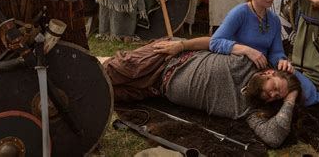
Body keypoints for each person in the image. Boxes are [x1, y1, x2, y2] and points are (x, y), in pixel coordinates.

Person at [104, 36, 302, 148]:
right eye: (275, 88)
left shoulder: (250, 110)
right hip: (169, 58)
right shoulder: (248, 60)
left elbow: (273, 138)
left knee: (106, 91)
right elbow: (213, 42)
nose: (273, 95)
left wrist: (290, 98)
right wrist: (180, 45)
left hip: (155, 89)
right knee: (112, 70)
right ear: (268, 73)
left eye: (277, 97)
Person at [208, 0, 319, 107]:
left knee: (305, 85)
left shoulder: (273, 19)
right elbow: (214, 42)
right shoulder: (240, 13)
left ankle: (316, 103)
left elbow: (276, 51)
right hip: (242, 67)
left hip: (265, 67)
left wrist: (282, 61)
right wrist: (246, 50)